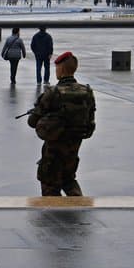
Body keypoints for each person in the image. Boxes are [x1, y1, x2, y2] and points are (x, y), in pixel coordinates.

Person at [27, 52, 96, 196]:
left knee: (50, 185)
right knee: (69, 179)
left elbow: (32, 122)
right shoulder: (87, 92)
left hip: (53, 150)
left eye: (57, 67)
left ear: (61, 69)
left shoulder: (53, 93)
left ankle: (54, 210)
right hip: (74, 147)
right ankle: (79, 205)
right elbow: (90, 120)